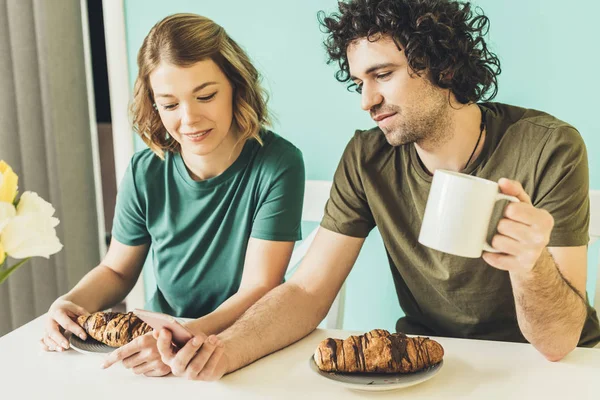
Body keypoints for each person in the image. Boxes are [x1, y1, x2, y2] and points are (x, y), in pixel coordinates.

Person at [153, 0, 600, 380]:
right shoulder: (368, 157)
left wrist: (531, 265)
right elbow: (308, 292)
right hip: (427, 368)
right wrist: (222, 349)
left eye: (382, 75)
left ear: (441, 64)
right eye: (358, 82)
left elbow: (559, 344)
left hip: (549, 369)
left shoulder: (547, 146)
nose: (366, 100)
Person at [40, 13, 305, 378]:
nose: (190, 118)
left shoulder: (278, 164)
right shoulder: (144, 171)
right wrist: (71, 302)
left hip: (245, 347)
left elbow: (260, 287)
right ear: (153, 104)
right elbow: (117, 269)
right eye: (169, 104)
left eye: (206, 95)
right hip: (159, 347)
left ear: (235, 87)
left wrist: (184, 336)